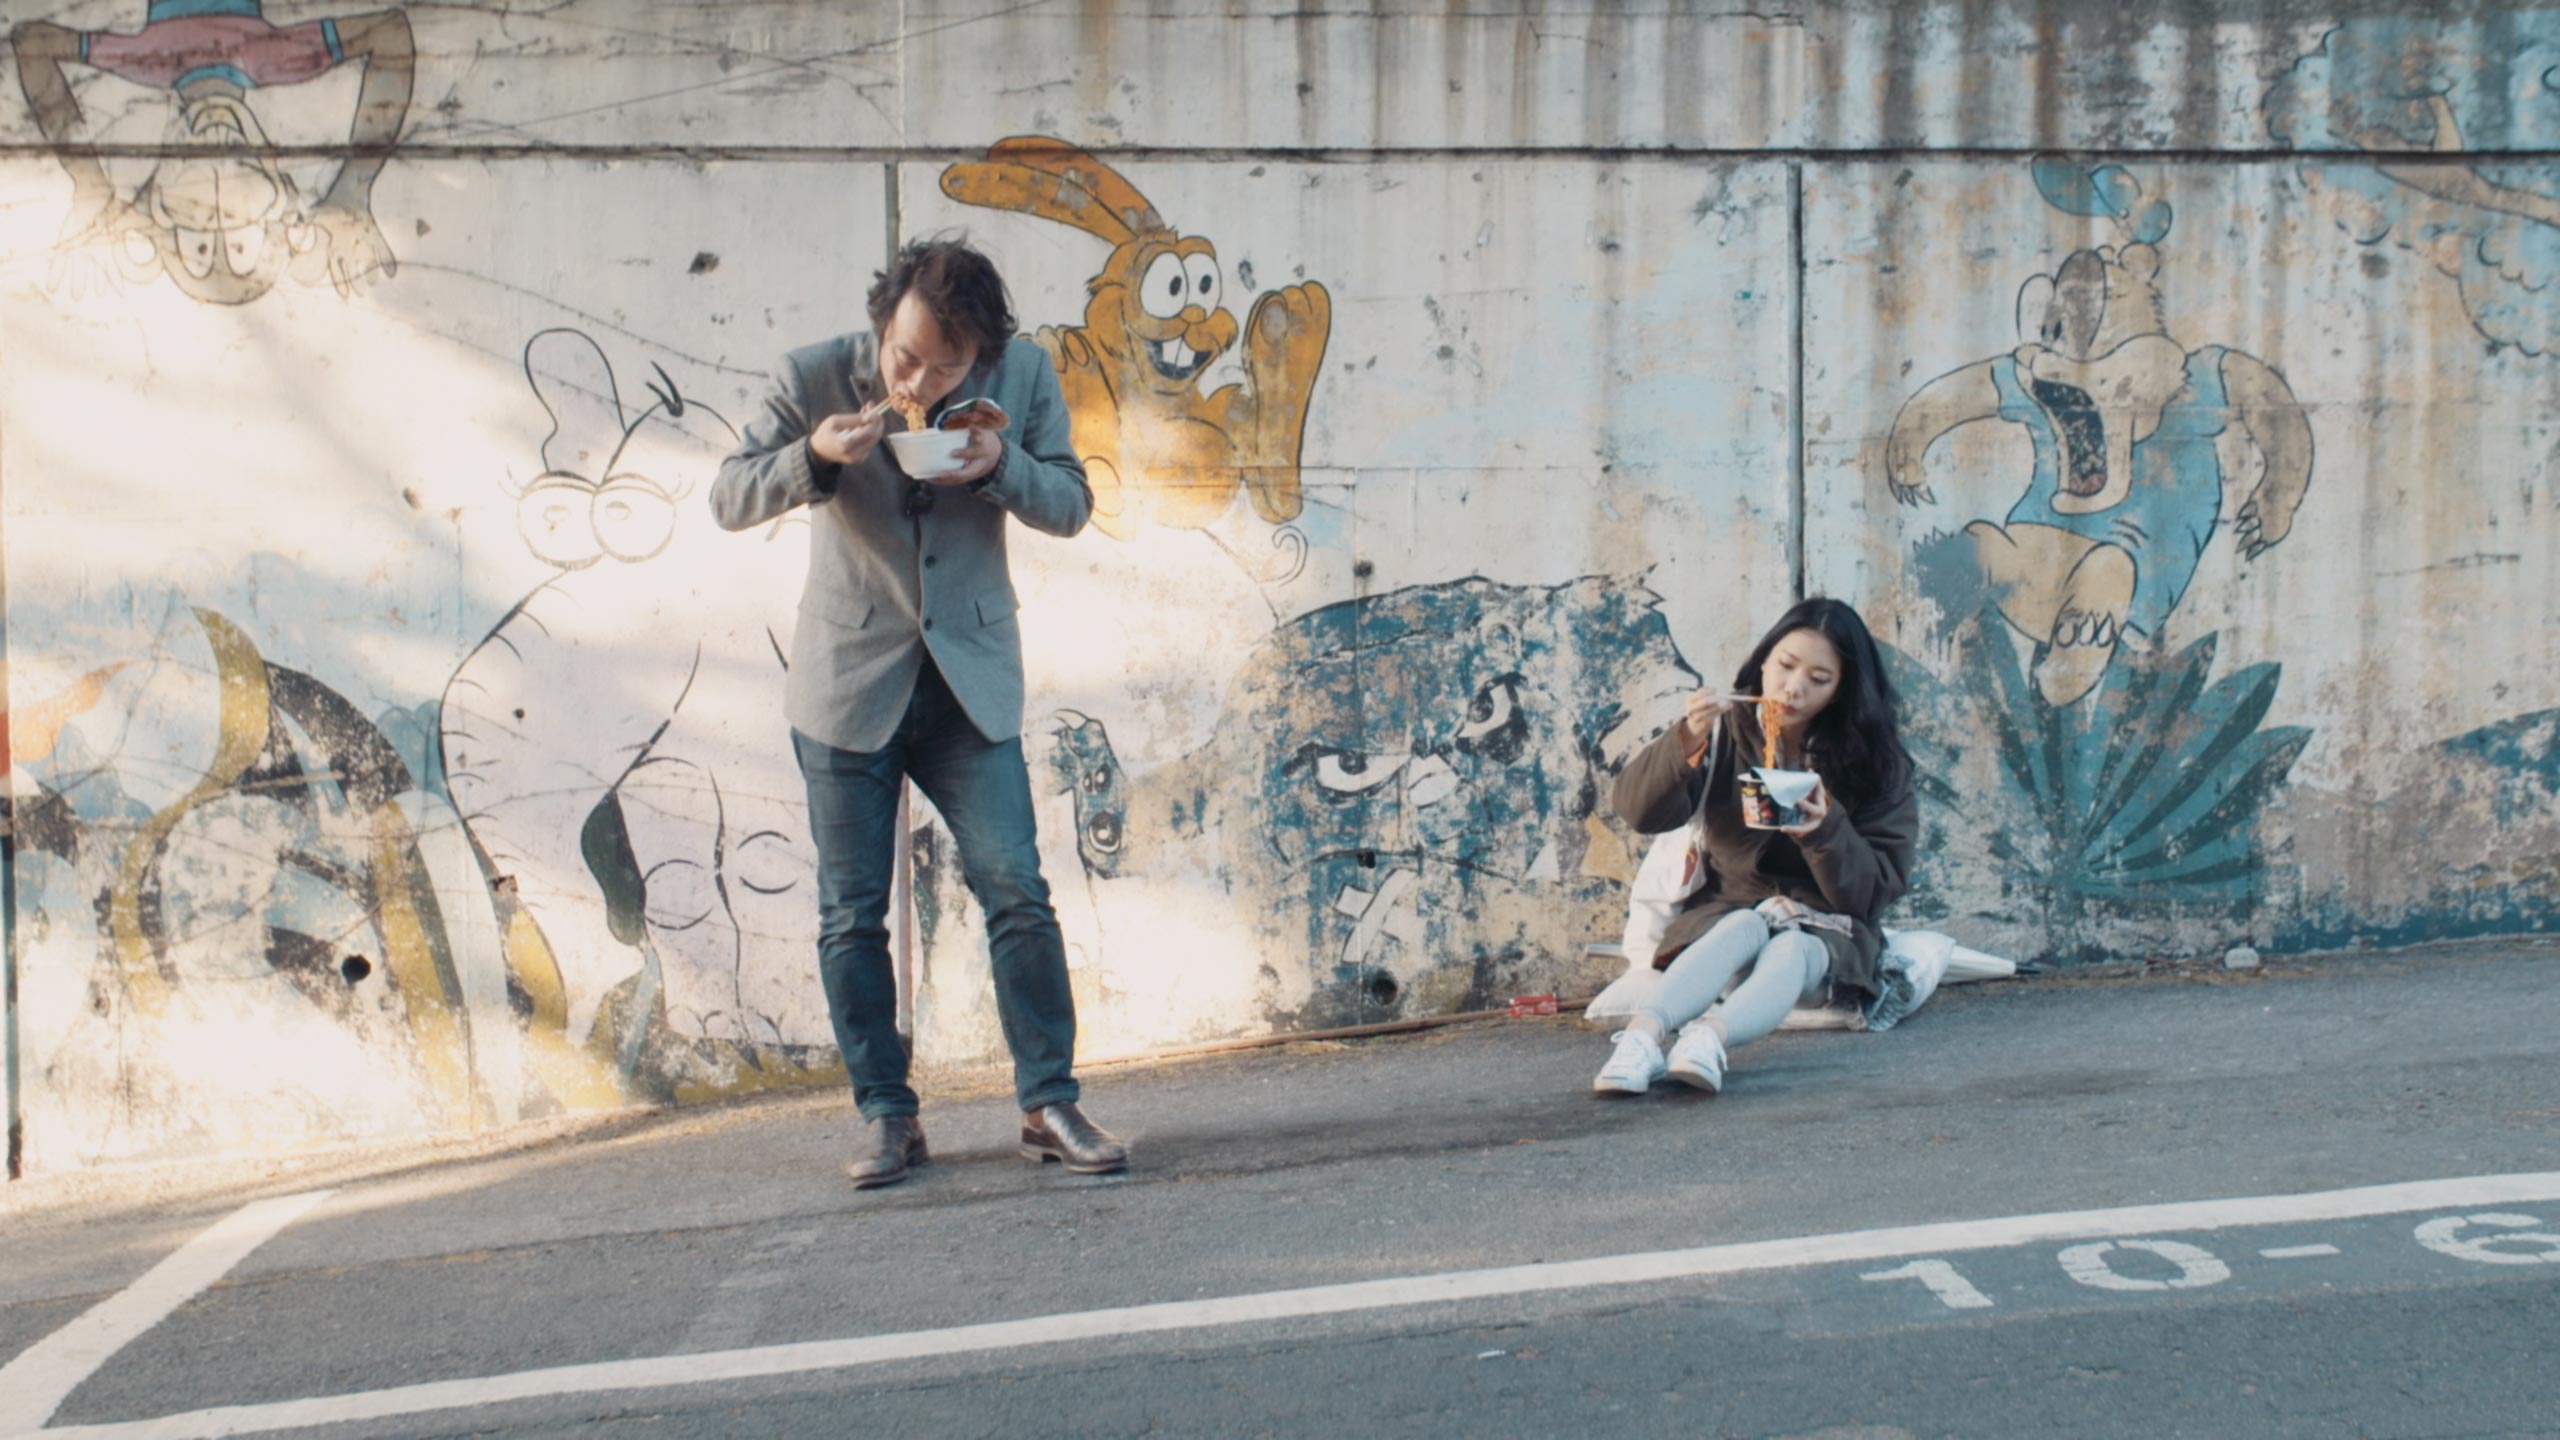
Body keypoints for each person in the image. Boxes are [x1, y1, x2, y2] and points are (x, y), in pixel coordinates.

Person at [711, 238, 1127, 1187]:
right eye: (906, 358)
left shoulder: (1021, 374)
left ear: (981, 354)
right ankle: (889, 1118)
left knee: (1016, 889)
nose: (921, 381)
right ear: (883, 319)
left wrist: (999, 465)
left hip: (969, 681)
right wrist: (812, 458)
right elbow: (729, 495)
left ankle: (1048, 1102)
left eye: (948, 368)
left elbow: (1070, 501)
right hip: (848, 680)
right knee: (851, 917)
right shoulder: (814, 374)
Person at [1597, 597, 1918, 1096]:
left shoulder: (1877, 762)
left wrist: (1824, 829)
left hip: (1826, 931)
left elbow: (1873, 893)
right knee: (1746, 922)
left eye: (1819, 678)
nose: (1793, 689)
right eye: (1786, 666)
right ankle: (1639, 1040)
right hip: (1725, 917)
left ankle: (1707, 1040)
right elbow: (1639, 812)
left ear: (1841, 691)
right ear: (1764, 659)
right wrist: (1688, 738)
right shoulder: (1725, 730)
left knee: (1793, 945)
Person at [10, 1, 415, 303]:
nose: (217, 179)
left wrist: (91, 185)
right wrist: (351, 192)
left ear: (159, 191)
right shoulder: (276, 57)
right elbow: (391, 33)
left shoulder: (148, 60)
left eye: (196, 211)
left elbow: (32, 42)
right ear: (276, 180)